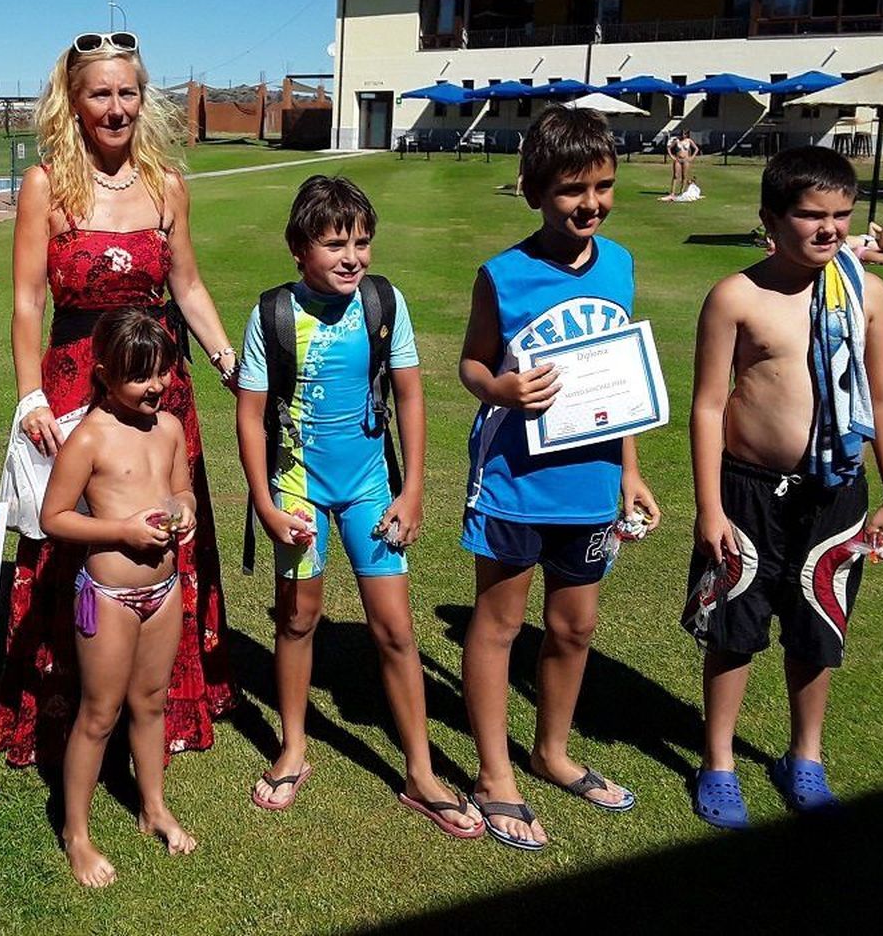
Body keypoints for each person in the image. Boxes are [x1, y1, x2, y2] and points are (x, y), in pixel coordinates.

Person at [0, 30, 236, 768]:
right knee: (70, 537)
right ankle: (68, 704)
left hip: (163, 386)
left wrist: (225, 358)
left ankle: (160, 697)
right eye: (101, 92)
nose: (117, 106)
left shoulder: (166, 184)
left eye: (128, 92)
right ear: (74, 101)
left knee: (166, 521)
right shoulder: (47, 185)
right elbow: (28, 301)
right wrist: (29, 395)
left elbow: (185, 285)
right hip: (72, 384)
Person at [237, 176, 484, 837]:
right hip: (297, 489)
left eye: (363, 242)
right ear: (298, 246)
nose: (353, 257)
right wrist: (263, 502)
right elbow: (251, 413)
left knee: (396, 631)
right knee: (297, 620)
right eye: (335, 243)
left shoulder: (383, 302)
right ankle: (293, 748)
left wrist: (412, 490)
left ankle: (421, 772)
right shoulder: (272, 315)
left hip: (371, 488)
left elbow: (410, 396)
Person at [684, 146, 883, 828]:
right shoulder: (737, 296)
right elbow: (708, 405)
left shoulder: (869, 294)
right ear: (770, 220)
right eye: (811, 215)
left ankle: (803, 757)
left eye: (841, 215)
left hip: (836, 494)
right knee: (733, 627)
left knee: (819, 629)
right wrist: (709, 507)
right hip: (748, 491)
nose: (829, 230)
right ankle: (719, 762)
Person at [456, 105, 661, 851]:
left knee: (574, 627)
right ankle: (493, 775)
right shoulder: (503, 275)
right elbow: (473, 364)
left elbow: (620, 381)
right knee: (501, 623)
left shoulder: (620, 264)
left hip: (591, 481)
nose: (591, 204)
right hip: (515, 480)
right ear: (536, 189)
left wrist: (630, 471)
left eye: (603, 186)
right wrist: (500, 389)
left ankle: (550, 752)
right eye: (573, 189)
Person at [41, 309, 200, 887]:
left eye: (162, 373)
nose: (156, 386)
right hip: (107, 594)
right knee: (99, 712)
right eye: (140, 378)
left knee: (151, 703)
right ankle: (76, 833)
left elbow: (182, 488)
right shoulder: (88, 437)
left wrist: (183, 512)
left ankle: (152, 805)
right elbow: (52, 518)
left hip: (163, 588)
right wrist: (121, 531)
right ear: (105, 375)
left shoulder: (170, 428)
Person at [668, 130, 699, 196]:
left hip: (686, 160)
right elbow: (669, 148)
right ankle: (672, 192)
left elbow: (696, 149)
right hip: (678, 160)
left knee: (684, 176)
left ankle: (681, 191)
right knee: (675, 175)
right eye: (682, 134)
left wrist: (692, 157)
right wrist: (672, 156)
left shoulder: (689, 141)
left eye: (685, 134)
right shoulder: (677, 141)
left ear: (687, 134)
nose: (683, 135)